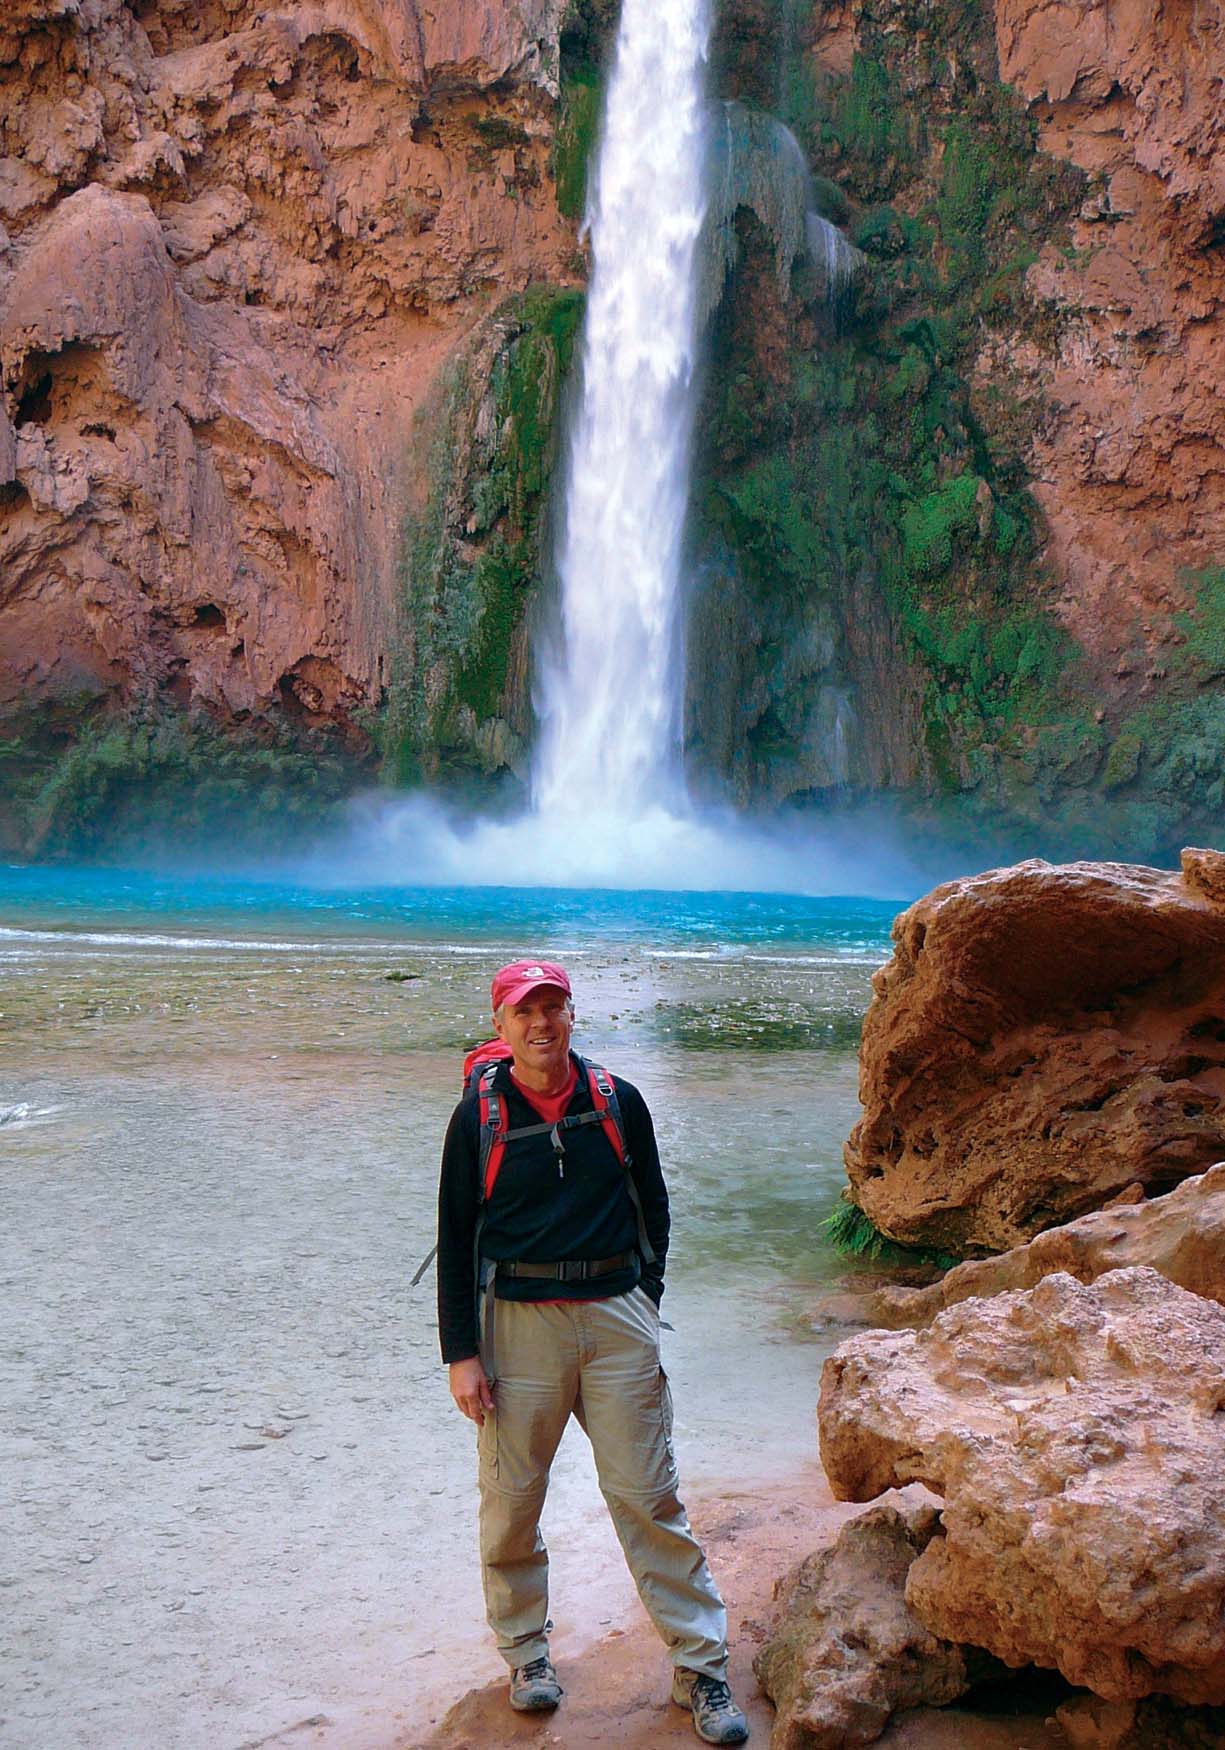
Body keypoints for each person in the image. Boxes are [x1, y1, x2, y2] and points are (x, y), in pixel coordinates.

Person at [436, 958, 750, 1745]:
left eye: (552, 1008)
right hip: (517, 1326)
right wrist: (461, 1354)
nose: (540, 1024)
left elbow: (654, 1205)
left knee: (648, 1495)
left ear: (572, 1015)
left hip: (616, 1322)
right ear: (501, 1026)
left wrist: (645, 1299)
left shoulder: (617, 1101)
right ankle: (526, 1654)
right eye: (523, 1012)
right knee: (513, 1502)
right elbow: (454, 1239)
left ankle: (700, 1667)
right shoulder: (476, 1118)